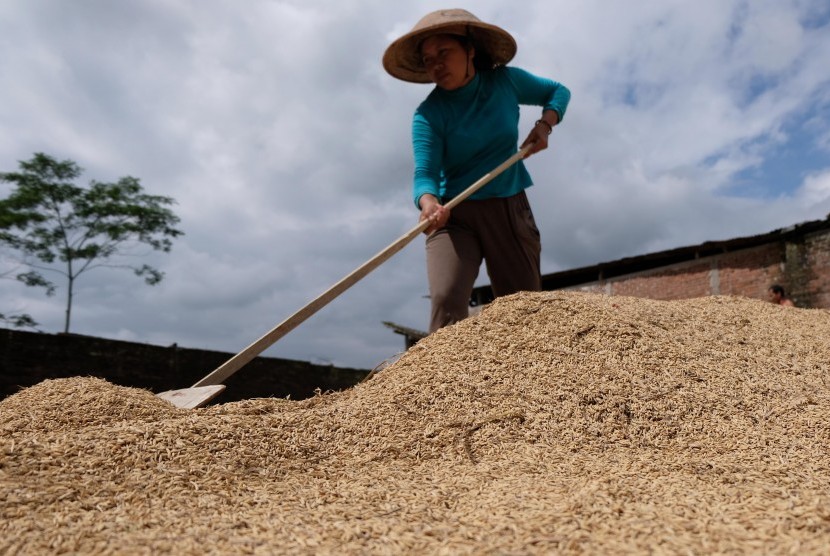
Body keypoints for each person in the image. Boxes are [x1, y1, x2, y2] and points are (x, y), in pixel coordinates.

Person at [382, 9, 571, 332]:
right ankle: (445, 379)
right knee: (446, 300)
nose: (436, 64)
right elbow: (425, 173)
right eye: (428, 59)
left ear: (470, 50)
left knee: (523, 307)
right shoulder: (428, 115)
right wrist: (428, 203)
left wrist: (545, 125)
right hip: (454, 214)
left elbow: (558, 92)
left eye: (444, 52)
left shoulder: (505, 82)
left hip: (508, 205)